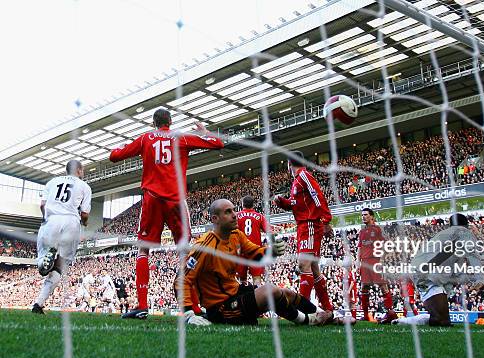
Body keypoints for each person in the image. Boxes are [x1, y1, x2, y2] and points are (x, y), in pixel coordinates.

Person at [109, 108, 224, 319]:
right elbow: (218, 144)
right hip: (176, 200)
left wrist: (118, 147)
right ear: (170, 122)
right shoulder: (182, 138)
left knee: (143, 250)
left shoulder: (145, 138)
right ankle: (194, 307)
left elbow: (114, 156)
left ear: (153, 123)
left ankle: (142, 305)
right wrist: (205, 131)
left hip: (152, 199)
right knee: (187, 252)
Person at [174, 199, 333, 326]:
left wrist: (272, 251)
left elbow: (254, 252)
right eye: (228, 212)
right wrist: (188, 314)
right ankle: (309, 321)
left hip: (236, 294)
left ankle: (324, 315)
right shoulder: (205, 246)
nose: (234, 215)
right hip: (221, 307)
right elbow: (181, 279)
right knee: (270, 291)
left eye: (234, 210)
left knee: (287, 293)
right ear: (215, 219)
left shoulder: (236, 234)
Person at [393, 213, 484, 326]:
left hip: (428, 273)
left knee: (443, 320)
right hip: (427, 275)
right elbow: (469, 256)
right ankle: (402, 322)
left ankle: (402, 321)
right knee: (441, 320)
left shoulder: (444, 235)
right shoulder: (462, 235)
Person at [273, 151, 335, 315]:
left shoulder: (304, 176)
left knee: (303, 265)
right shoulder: (297, 181)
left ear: (289, 163)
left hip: (310, 225)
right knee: (313, 268)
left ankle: (303, 310)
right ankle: (328, 308)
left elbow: (317, 196)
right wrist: (282, 202)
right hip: (303, 226)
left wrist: (326, 220)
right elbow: (295, 205)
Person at [32, 160, 91, 315]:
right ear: (78, 170)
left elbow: (42, 205)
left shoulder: (53, 182)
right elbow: (84, 214)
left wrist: (46, 218)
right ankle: (38, 304)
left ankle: (43, 263)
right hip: (71, 223)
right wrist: (84, 224)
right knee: (60, 266)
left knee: (43, 255)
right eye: (82, 170)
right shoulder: (84, 187)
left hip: (52, 220)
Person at [357, 208, 398, 323]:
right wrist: (357, 262)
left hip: (375, 261)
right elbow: (359, 248)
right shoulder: (362, 232)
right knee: (364, 287)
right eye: (362, 215)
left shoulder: (378, 230)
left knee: (382, 286)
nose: (363, 217)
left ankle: (390, 313)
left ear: (372, 217)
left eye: (365, 215)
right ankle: (366, 315)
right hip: (364, 262)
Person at [236, 195, 270, 286]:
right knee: (257, 278)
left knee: (242, 280)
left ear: (242, 204)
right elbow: (269, 231)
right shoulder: (260, 217)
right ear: (253, 205)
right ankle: (257, 299)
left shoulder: (236, 216)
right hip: (255, 251)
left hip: (241, 251)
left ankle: (244, 299)